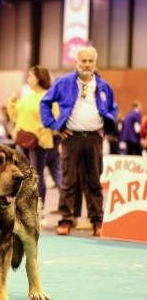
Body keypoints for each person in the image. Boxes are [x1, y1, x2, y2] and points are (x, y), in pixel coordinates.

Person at [40, 46, 118, 237]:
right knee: (68, 180)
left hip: (94, 138)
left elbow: (113, 109)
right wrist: (55, 125)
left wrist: (106, 124)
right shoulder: (63, 82)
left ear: (95, 63)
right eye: (83, 61)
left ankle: (97, 222)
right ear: (76, 62)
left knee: (94, 181)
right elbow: (45, 103)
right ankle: (66, 220)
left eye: (90, 61)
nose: (87, 64)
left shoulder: (103, 86)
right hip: (71, 137)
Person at [8, 65, 61, 218]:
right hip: (23, 141)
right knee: (22, 175)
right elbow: (15, 116)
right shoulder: (27, 97)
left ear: (39, 78)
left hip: (39, 143)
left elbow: (56, 120)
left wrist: (41, 132)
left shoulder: (50, 97)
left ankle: (39, 210)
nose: (28, 79)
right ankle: (23, 208)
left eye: (30, 76)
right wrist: (12, 101)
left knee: (37, 176)